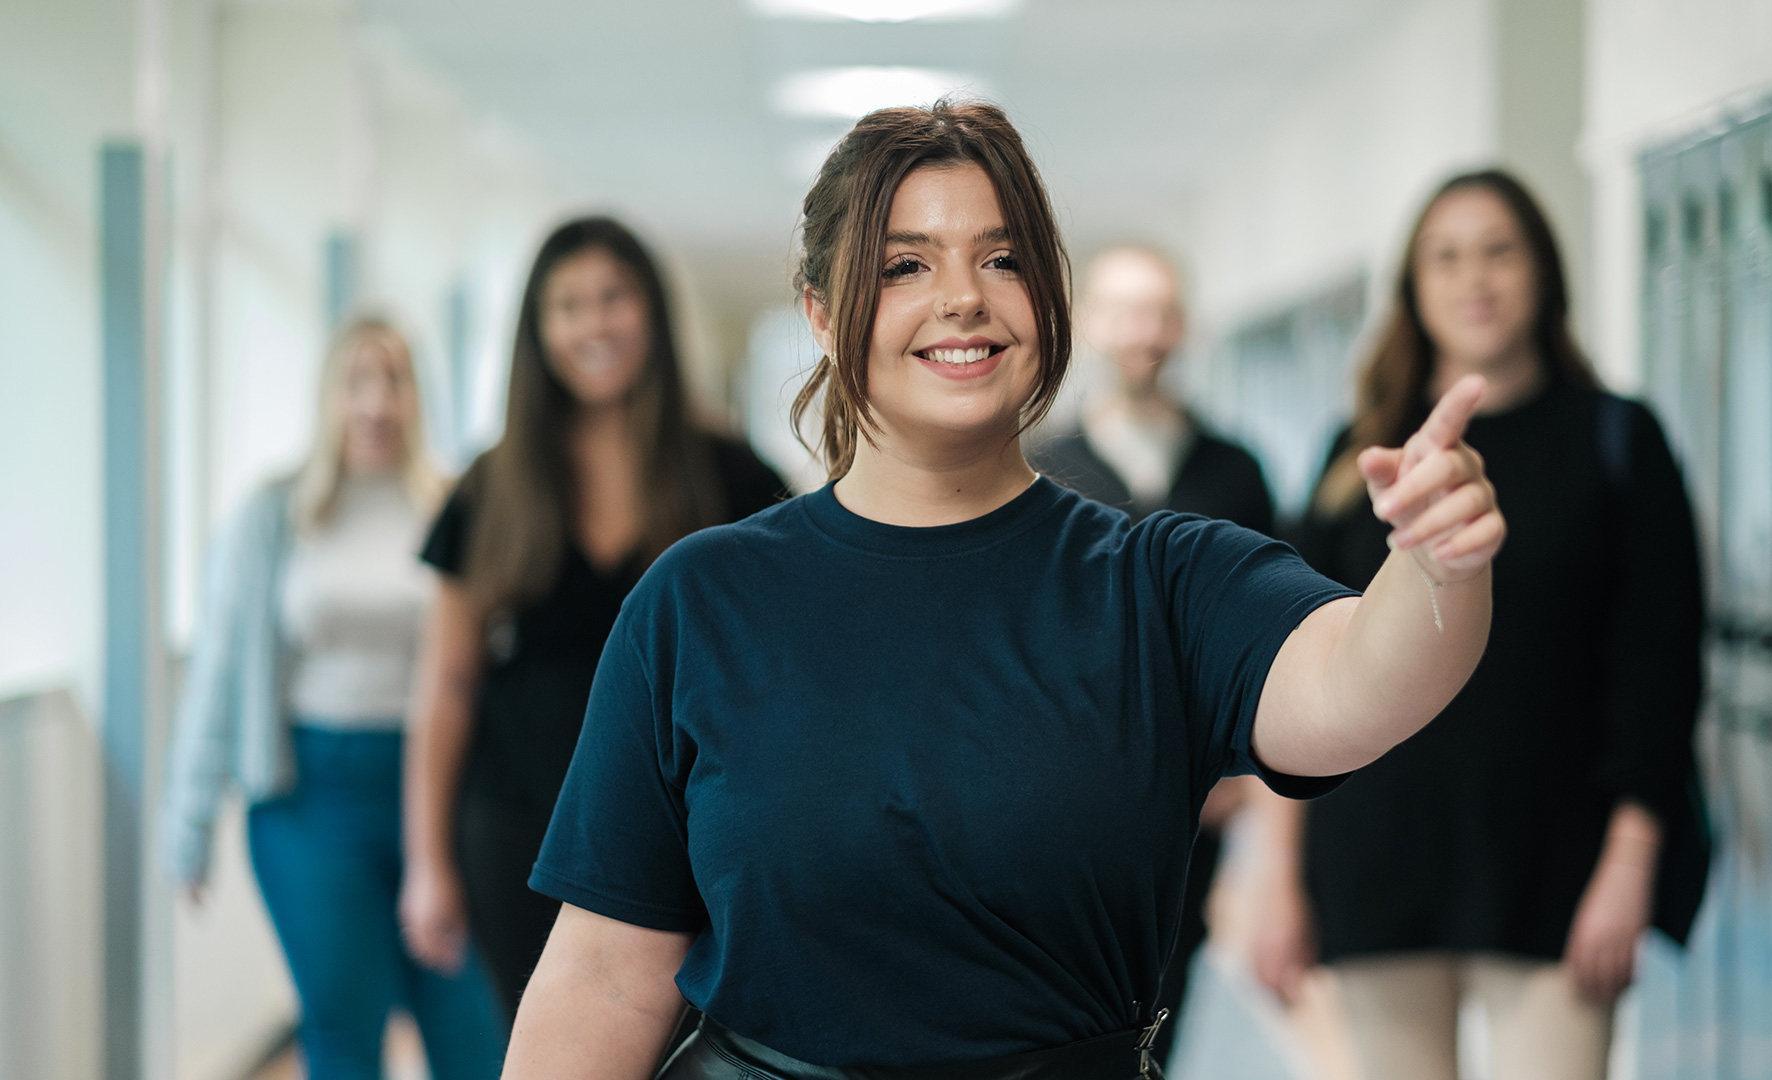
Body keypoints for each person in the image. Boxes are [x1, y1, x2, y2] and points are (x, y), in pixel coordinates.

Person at [502, 101, 1507, 1080]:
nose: (963, 299)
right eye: (904, 265)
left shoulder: (1160, 583)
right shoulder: (699, 603)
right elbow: (603, 979)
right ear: (818, 309)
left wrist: (1437, 567)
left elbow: (1355, 686)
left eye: (1003, 258)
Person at [1250, 170, 1709, 1080]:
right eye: (1446, 256)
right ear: (1414, 289)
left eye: (1500, 250)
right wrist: (1276, 876)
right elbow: (1298, 667)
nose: (1476, 278)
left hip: (1557, 858)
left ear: (1543, 271)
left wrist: (1629, 865)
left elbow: (1661, 668)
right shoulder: (1362, 454)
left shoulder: (1617, 439)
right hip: (1379, 854)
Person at [398, 217, 787, 1018]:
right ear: (538, 332)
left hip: (684, 827)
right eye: (568, 305)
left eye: (614, 298)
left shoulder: (731, 475)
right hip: (519, 827)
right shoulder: (491, 485)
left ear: (651, 313)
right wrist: (427, 861)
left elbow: (777, 677)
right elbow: (446, 684)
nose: (594, 324)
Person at [162, 318, 507, 1080]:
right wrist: (186, 821)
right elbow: (219, 671)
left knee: (470, 1032)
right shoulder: (275, 514)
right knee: (344, 1027)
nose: (376, 404)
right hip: (308, 799)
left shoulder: (455, 505)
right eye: (358, 383)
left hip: (441, 790)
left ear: (420, 398)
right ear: (330, 397)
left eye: (394, 382)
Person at [1029, 243, 1276, 1063]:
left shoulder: (1235, 471)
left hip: (1196, 814)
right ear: (1090, 323)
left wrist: (1235, 769)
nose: (1146, 331)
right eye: (1126, 310)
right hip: (1065, 805)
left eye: (1162, 311)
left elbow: (1263, 631)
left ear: (1183, 327)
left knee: (1161, 1009)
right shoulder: (1039, 469)